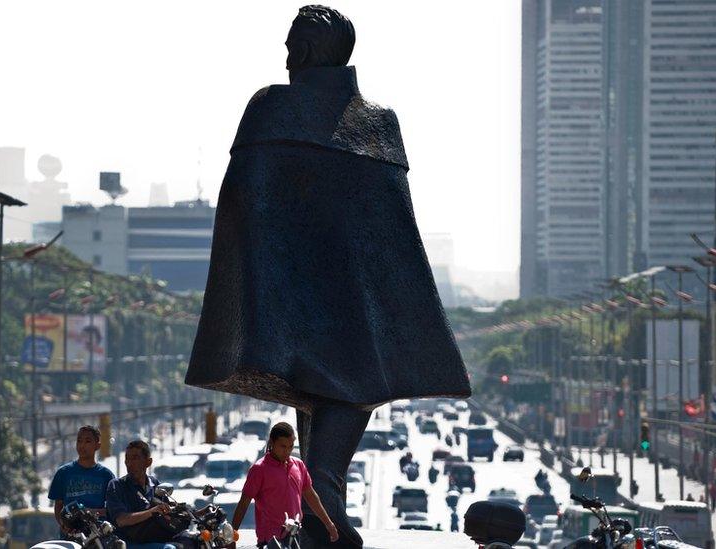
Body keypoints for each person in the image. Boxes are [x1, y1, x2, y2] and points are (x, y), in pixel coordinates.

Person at [184, 6, 471, 546]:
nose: (286, 54)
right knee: (336, 396)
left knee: (327, 401)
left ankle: (327, 512)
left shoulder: (272, 108)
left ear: (311, 51)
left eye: (294, 43)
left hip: (296, 297)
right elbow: (393, 228)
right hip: (350, 304)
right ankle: (325, 512)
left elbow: (243, 198)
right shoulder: (378, 124)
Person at [231, 422, 339, 548]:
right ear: (272, 442)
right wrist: (232, 536)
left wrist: (329, 524)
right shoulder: (259, 469)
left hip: (294, 536)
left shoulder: (298, 465)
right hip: (270, 540)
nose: (287, 451)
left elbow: (311, 496)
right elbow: (244, 502)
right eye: (282, 446)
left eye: (290, 446)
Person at [105, 440, 181, 548]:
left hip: (153, 537)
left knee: (189, 540)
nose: (130, 463)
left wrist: (198, 513)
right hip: (127, 543)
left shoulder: (154, 483)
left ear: (148, 462)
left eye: (135, 458)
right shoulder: (117, 485)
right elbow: (121, 520)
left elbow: (167, 511)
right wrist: (151, 511)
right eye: (127, 458)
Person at [48, 425, 116, 537]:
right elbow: (58, 506)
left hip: (97, 536)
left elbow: (112, 509)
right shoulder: (63, 473)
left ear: (97, 445)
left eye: (88, 441)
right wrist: (63, 524)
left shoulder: (106, 475)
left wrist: (89, 512)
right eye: (79, 441)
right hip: (71, 536)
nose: (82, 445)